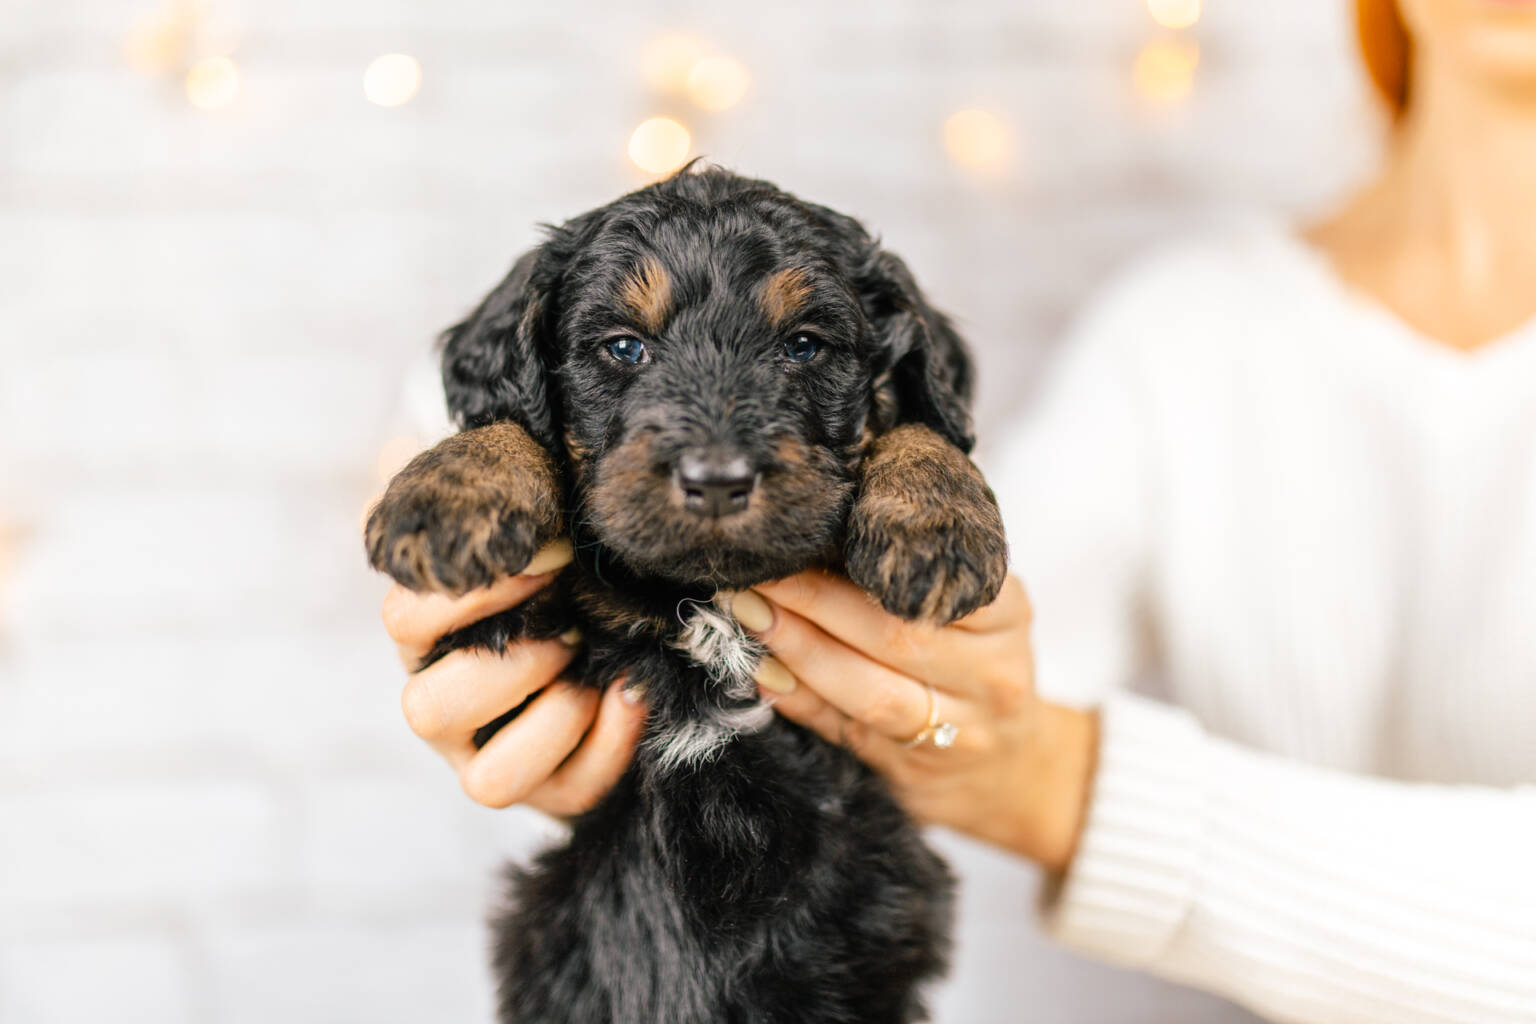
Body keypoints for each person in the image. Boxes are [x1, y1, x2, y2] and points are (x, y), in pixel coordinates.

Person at [378, 1, 1536, 1019]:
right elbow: (961, 633)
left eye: (808, 343)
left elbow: (948, 548)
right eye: (626, 347)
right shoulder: (1190, 333)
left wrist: (1055, 777)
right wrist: (530, 727)